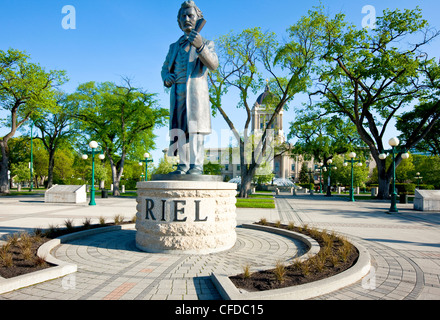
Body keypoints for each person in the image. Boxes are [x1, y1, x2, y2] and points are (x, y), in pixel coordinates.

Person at [161, 0, 218, 175]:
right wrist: (166, 77)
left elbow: (213, 64)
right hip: (177, 93)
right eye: (183, 16)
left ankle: (196, 165)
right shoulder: (173, 47)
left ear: (198, 18)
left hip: (195, 94)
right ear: (179, 21)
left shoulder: (206, 43)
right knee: (180, 129)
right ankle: (183, 165)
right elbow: (164, 68)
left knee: (195, 130)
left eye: (190, 15)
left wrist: (200, 46)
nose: (187, 19)